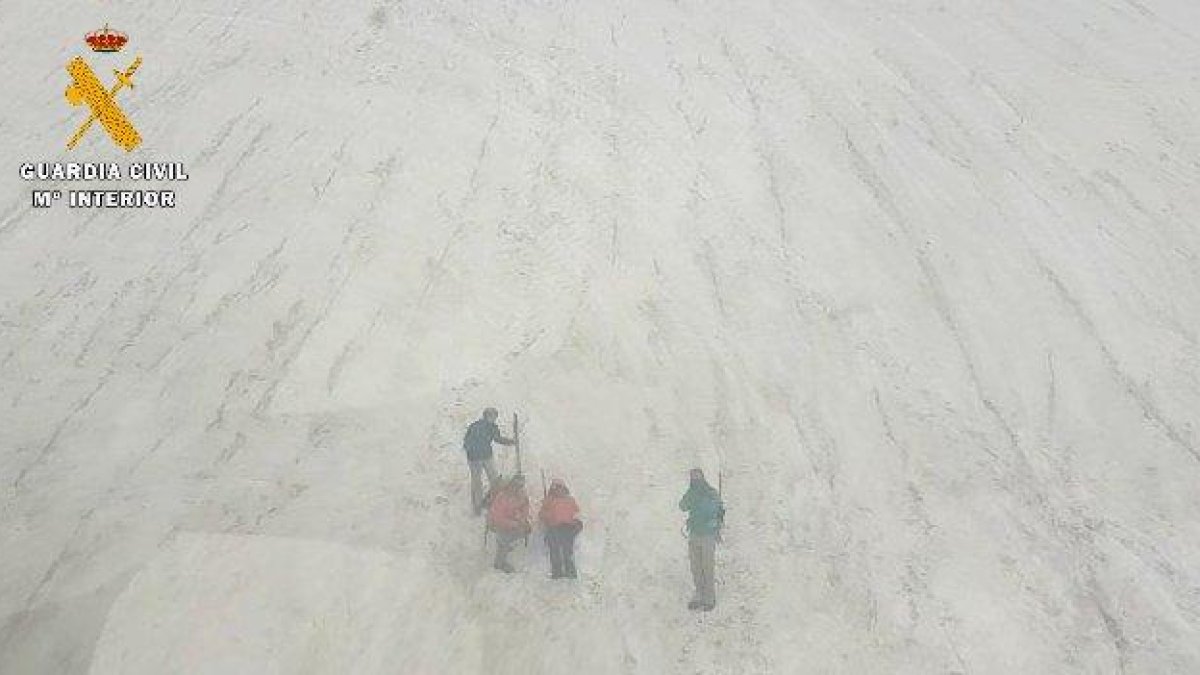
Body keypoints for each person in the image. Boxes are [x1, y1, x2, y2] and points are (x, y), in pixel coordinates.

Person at [679, 468, 724, 611]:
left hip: (708, 535)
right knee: (696, 567)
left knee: (707, 566)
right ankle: (699, 594)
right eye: (693, 478)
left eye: (697, 477)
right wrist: (691, 494)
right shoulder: (692, 493)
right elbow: (682, 506)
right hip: (694, 534)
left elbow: (717, 510)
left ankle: (709, 597)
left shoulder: (711, 493)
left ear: (703, 478)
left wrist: (715, 525)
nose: (695, 481)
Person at [463, 407, 515, 515]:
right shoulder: (475, 426)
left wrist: (510, 441)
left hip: (487, 456)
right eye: (491, 416)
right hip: (474, 458)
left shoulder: (493, 427)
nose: (493, 418)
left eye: (495, 417)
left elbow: (497, 438)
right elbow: (467, 441)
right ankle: (477, 505)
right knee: (477, 482)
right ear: (486, 416)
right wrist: (471, 451)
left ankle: (495, 501)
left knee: (494, 479)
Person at [539, 478, 582, 579]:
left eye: (560, 488)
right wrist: (548, 515)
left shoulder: (570, 500)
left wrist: (576, 522)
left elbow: (577, 514)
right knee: (555, 551)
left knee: (568, 551)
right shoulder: (548, 501)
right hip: (553, 528)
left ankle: (570, 572)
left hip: (568, 529)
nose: (558, 490)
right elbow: (541, 515)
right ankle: (557, 572)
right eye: (555, 488)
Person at [487, 474, 531, 573]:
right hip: (497, 523)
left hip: (514, 521)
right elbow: (498, 518)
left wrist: (521, 519)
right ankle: (499, 562)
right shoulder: (502, 497)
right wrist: (514, 523)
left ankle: (506, 545)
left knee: (525, 530)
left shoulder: (521, 495)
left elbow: (525, 507)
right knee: (504, 537)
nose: (517, 488)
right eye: (515, 485)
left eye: (520, 486)